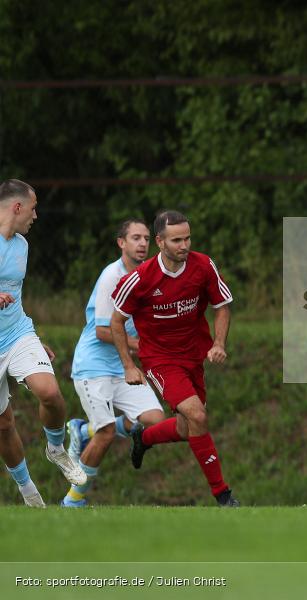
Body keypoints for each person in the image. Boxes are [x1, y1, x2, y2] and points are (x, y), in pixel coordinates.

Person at [110, 210, 238, 507]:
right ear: (160, 242)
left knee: (186, 428)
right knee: (198, 416)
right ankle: (223, 495)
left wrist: (219, 343)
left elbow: (222, 306)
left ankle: (145, 438)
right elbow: (116, 322)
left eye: (187, 238)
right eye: (176, 240)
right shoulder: (141, 278)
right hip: (161, 359)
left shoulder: (203, 265)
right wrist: (129, 366)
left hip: (194, 356)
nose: (184, 245)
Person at [62, 219, 166, 507]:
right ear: (121, 243)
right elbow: (102, 331)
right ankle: (73, 501)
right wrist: (138, 347)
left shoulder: (153, 276)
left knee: (154, 422)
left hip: (123, 366)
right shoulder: (112, 276)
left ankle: (83, 431)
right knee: (107, 434)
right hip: (93, 366)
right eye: (135, 237)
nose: (143, 243)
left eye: (146, 238)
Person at [0, 179, 86, 507]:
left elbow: (15, 298)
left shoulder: (21, 245)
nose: (36, 216)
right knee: (4, 424)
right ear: (17, 207)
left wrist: (33, 339)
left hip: (18, 334)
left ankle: (56, 449)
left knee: (49, 392)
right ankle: (29, 493)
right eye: (33, 208)